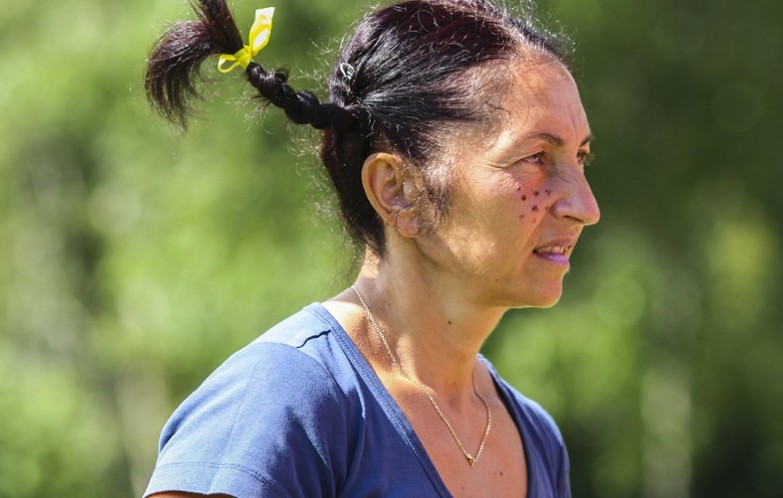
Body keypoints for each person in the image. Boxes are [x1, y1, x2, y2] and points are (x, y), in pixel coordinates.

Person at [142, 0, 599, 496]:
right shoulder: (283, 401)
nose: (585, 206)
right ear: (397, 190)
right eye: (536, 158)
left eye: (580, 157)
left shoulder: (536, 439)